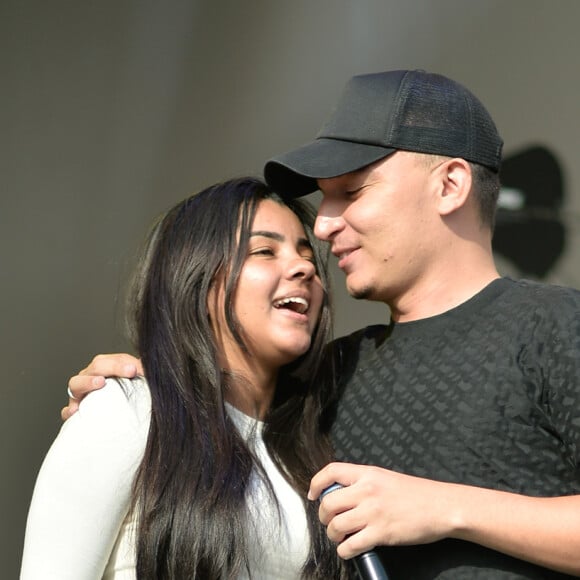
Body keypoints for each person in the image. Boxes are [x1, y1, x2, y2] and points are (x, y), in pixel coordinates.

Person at [63, 70, 580, 579]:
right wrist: (138, 392)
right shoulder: (320, 379)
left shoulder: (558, 327)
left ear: (449, 185)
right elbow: (208, 419)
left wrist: (445, 508)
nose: (326, 225)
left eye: (352, 192)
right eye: (326, 198)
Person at [21, 177, 351, 579]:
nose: (304, 267)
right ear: (198, 280)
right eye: (265, 251)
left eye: (308, 258)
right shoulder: (129, 412)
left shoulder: (315, 447)